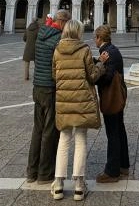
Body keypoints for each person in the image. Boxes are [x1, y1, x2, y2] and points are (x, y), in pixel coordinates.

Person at [50, 19, 104, 201]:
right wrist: (101, 64)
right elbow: (93, 76)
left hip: (64, 101)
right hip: (81, 102)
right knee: (80, 140)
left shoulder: (57, 50)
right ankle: (79, 186)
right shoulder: (84, 50)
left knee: (63, 141)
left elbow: (54, 75)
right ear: (79, 32)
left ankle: (58, 185)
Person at [27, 9, 71, 187]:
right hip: (50, 89)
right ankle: (45, 173)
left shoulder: (40, 35)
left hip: (37, 87)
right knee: (49, 131)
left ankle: (32, 171)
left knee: (37, 130)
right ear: (63, 22)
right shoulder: (58, 39)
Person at [93, 25, 130, 184]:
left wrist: (95, 71)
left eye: (96, 37)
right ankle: (123, 165)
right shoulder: (112, 49)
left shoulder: (106, 53)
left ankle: (112, 171)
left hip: (111, 98)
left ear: (99, 38)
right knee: (119, 130)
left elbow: (106, 77)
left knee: (113, 133)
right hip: (118, 97)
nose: (95, 40)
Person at [23, 16, 42, 81]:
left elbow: (24, 38)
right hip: (36, 48)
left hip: (27, 48)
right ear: (37, 21)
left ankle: (26, 76)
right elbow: (40, 38)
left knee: (26, 64)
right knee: (37, 63)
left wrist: (28, 41)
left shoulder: (27, 29)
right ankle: (36, 76)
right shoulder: (38, 29)